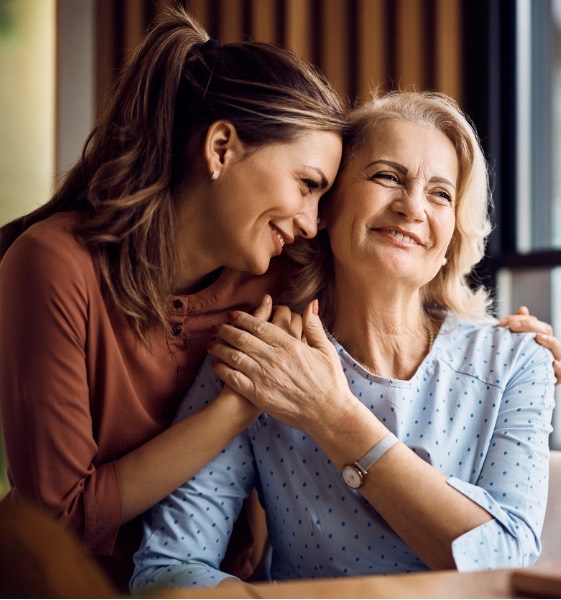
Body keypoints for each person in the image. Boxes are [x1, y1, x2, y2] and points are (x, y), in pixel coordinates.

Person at [130, 91, 557, 592]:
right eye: (386, 176)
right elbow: (166, 571)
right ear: (326, 206)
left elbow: (509, 562)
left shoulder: (517, 361)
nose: (412, 206)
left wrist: (334, 418)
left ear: (452, 239)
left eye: (441, 193)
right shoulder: (265, 358)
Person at [0, 8, 347, 588]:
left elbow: (402, 311)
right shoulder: (53, 266)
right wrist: (236, 408)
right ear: (220, 147)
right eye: (307, 185)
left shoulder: (282, 279)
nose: (312, 223)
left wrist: (510, 337)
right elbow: (59, 518)